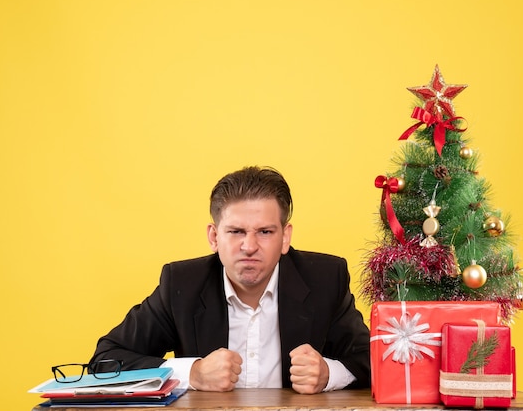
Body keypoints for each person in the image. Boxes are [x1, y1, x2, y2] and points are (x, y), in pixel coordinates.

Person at [90, 166, 370, 394]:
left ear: (285, 237)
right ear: (214, 237)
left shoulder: (324, 279)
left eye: (265, 232)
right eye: (236, 231)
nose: (249, 246)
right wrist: (194, 373)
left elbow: (371, 361)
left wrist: (328, 374)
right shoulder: (181, 284)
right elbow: (106, 360)